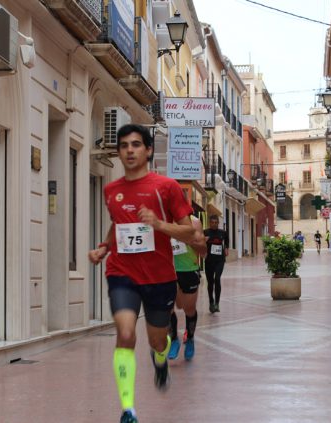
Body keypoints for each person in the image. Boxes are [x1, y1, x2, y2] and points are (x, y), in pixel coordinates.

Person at [88, 124, 196, 423]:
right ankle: (128, 409)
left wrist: (158, 224)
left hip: (159, 277)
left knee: (156, 341)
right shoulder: (111, 190)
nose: (130, 150)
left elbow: (189, 231)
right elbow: (118, 225)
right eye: (124, 145)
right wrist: (103, 248)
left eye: (136, 144)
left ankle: (160, 360)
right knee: (124, 333)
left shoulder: (167, 187)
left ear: (148, 150)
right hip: (122, 273)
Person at [168, 216, 207, 361]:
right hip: (167, 270)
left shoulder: (194, 222)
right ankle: (173, 340)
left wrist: (189, 240)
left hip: (188, 270)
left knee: (189, 309)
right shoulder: (163, 219)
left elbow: (203, 251)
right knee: (167, 308)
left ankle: (190, 338)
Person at [204, 215, 229, 313]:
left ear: (218, 223)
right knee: (210, 282)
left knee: (217, 279)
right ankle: (211, 301)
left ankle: (217, 303)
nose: (214, 224)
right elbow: (201, 243)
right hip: (209, 260)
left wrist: (226, 248)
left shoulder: (222, 233)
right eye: (212, 222)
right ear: (209, 223)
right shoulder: (205, 232)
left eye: (216, 222)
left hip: (220, 260)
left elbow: (227, 240)